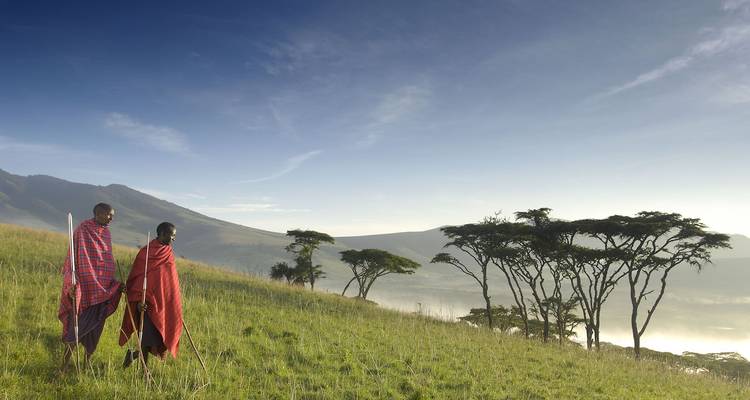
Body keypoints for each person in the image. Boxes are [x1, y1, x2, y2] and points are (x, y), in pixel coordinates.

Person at [58, 203, 122, 372]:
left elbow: (106, 261)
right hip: (84, 290)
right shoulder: (83, 229)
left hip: (103, 291)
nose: (111, 218)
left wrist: (114, 285)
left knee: (95, 331)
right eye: (109, 215)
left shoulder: (106, 233)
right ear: (99, 213)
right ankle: (63, 367)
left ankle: (86, 365)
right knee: (75, 330)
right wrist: (72, 282)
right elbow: (72, 258)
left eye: (112, 215)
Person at [120, 222, 183, 367]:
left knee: (157, 338)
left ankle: (133, 355)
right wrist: (139, 300)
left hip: (162, 303)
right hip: (145, 304)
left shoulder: (168, 253)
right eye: (171, 236)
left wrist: (171, 301)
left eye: (174, 236)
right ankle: (144, 371)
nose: (173, 239)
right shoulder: (146, 253)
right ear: (162, 233)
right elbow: (136, 278)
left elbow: (169, 281)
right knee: (146, 338)